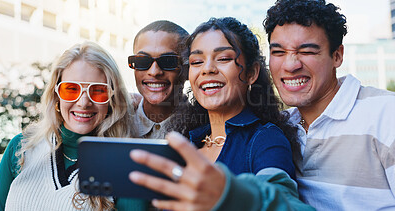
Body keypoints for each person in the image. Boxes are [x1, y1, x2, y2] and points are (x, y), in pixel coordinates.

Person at [128, 17, 315, 211]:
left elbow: (287, 202)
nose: (208, 69)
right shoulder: (189, 139)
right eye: (197, 61)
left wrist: (231, 195)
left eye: (224, 58)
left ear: (251, 73)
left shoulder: (266, 139)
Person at [263, 0, 395, 210]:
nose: (290, 65)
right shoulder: (278, 128)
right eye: (278, 52)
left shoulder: (387, 114)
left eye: (307, 52)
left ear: (337, 56)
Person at [0, 42, 133, 210]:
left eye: (98, 91)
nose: (83, 103)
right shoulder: (21, 147)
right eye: (71, 89)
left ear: (112, 99)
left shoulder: (125, 166)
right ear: (56, 95)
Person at [128, 20, 190, 138]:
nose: (154, 72)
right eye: (142, 61)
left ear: (188, 69)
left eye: (168, 61)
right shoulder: (111, 121)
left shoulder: (207, 129)